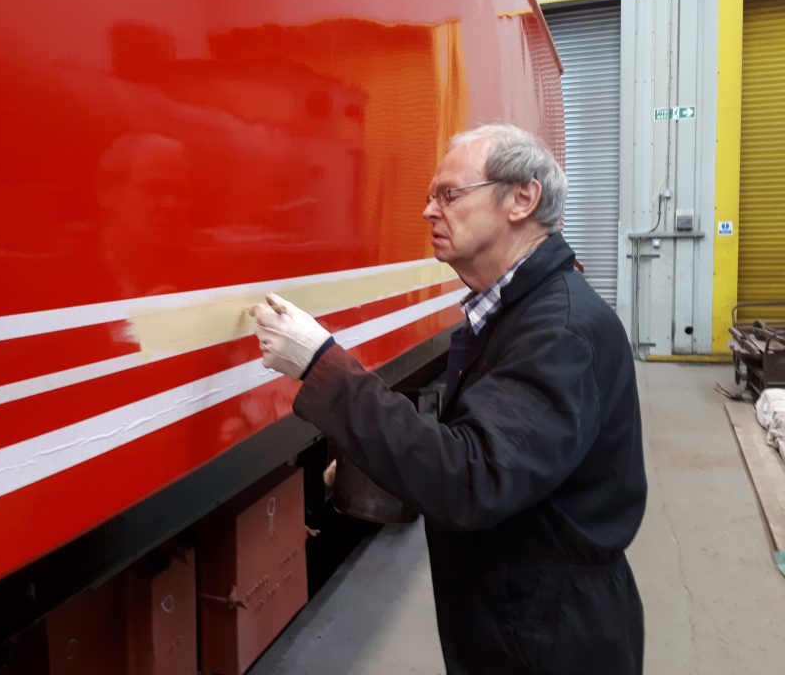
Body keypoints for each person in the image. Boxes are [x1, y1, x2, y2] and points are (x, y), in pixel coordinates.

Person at [251, 124, 647, 674]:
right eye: (429, 196)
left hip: (545, 637)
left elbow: (473, 478)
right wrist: (383, 465)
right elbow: (485, 450)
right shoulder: (517, 313)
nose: (428, 212)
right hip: (525, 613)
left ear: (522, 199)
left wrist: (320, 363)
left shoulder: (559, 332)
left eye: (449, 194)